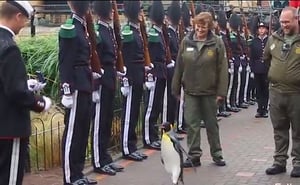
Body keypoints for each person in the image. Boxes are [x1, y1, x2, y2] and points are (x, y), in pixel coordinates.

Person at [0, 1, 52, 184]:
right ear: (18, 16)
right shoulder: (9, 47)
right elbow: (16, 92)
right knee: (10, 179)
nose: (24, 26)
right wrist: (40, 103)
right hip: (9, 128)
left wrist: (24, 83)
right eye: (25, 21)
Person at [172, 12, 228, 168]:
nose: (200, 29)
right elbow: (179, 66)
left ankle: (217, 154)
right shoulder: (186, 41)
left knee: (212, 125)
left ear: (209, 27)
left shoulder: (217, 43)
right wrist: (175, 88)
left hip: (210, 93)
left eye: (203, 26)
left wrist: (221, 92)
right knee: (192, 125)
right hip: (190, 92)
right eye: (197, 25)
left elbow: (222, 69)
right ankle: (194, 156)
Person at [58, 1, 97, 185]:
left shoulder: (84, 27)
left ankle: (78, 173)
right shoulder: (70, 27)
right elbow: (65, 61)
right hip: (75, 85)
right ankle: (69, 177)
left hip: (85, 83)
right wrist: (66, 89)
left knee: (82, 131)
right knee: (73, 133)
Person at [264, 7, 300, 178]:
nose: (284, 25)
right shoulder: (273, 39)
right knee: (279, 129)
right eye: (282, 22)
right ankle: (279, 162)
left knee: (298, 130)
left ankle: (298, 163)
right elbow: (266, 60)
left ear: (296, 19)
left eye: (287, 22)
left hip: (296, 93)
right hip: (276, 92)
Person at [91, 1, 124, 176]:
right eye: (110, 9)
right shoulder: (98, 30)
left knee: (107, 119)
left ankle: (105, 157)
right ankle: (98, 160)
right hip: (102, 78)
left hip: (110, 76)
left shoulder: (109, 30)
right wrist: (95, 86)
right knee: (100, 121)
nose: (112, 12)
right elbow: (94, 59)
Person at [120, 1, 149, 161]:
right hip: (130, 78)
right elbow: (124, 58)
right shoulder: (129, 32)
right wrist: (125, 80)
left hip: (138, 77)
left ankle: (131, 145)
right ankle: (127, 147)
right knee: (129, 114)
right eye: (140, 12)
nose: (142, 14)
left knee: (135, 112)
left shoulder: (138, 31)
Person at [143, 1, 168, 151]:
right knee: (150, 108)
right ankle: (148, 138)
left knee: (157, 106)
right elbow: (149, 56)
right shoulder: (152, 33)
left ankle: (154, 136)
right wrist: (150, 76)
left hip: (162, 70)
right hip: (155, 71)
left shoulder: (159, 32)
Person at [249, 22, 269, 118]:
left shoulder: (270, 41)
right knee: (258, 90)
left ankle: (264, 109)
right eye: (260, 28)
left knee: (265, 89)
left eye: (263, 28)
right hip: (257, 68)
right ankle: (259, 109)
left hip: (266, 68)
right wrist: (252, 69)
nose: (261, 30)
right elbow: (251, 56)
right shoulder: (254, 41)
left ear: (266, 30)